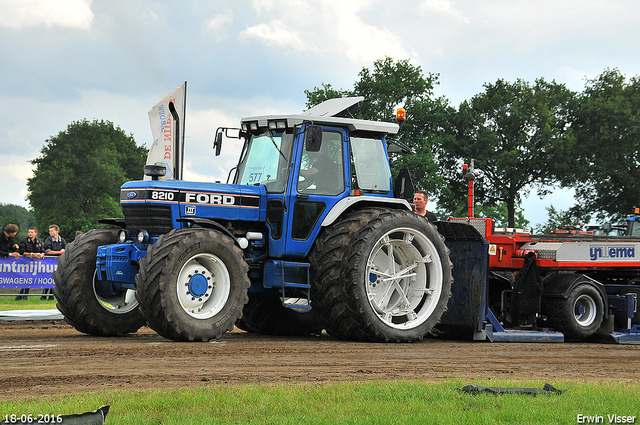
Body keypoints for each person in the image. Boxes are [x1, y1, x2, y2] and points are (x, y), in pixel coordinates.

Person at [16, 227, 45, 300]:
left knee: (30, 279)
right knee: (25, 279)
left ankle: (21, 296)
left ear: (36, 233)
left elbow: (42, 251)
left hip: (34, 264)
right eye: (29, 232)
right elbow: (22, 252)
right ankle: (22, 296)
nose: (30, 233)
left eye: (32, 232)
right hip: (25, 263)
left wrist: (41, 255)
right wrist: (32, 254)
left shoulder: (39, 241)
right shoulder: (24, 241)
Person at [42, 224, 67, 299]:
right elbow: (48, 252)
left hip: (58, 262)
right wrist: (59, 252)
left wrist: (62, 251)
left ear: (57, 231)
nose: (50, 232)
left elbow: (66, 249)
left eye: (52, 231)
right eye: (50, 231)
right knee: (47, 278)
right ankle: (44, 295)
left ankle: (51, 296)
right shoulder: (48, 240)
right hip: (49, 262)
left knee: (55, 279)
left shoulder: (62, 240)